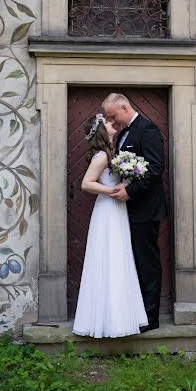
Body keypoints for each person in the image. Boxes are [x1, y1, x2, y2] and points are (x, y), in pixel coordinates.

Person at [72, 113, 148, 338]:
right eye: (107, 122)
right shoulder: (102, 156)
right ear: (102, 131)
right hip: (108, 210)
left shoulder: (111, 153)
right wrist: (112, 191)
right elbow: (87, 184)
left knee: (118, 260)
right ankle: (108, 321)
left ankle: (120, 318)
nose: (111, 123)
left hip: (116, 211)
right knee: (109, 259)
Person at [102, 93, 168, 332]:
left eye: (112, 115)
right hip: (125, 209)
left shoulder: (147, 129)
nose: (111, 120)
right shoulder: (121, 134)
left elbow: (155, 168)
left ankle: (150, 318)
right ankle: (134, 313)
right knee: (130, 262)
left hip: (145, 207)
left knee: (146, 262)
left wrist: (130, 191)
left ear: (124, 107)